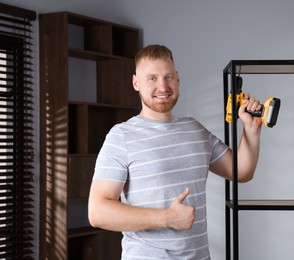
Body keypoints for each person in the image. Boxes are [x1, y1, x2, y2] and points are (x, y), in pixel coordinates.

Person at [88, 44, 263, 259]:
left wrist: (251, 130)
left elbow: (241, 171)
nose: (163, 86)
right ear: (136, 83)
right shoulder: (121, 136)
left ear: (177, 79)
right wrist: (167, 218)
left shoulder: (195, 130)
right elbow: (97, 212)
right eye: (152, 78)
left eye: (168, 77)